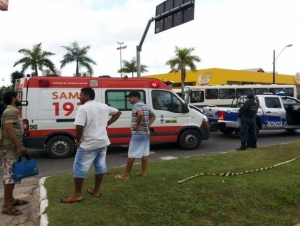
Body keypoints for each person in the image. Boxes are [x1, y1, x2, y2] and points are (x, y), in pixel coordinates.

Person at [61, 87, 122, 203]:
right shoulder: (103, 106)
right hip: (103, 142)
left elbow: (79, 127)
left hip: (88, 144)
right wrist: (106, 125)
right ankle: (96, 190)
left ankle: (77, 195)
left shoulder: (83, 109)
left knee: (79, 168)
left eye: (81, 95)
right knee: (100, 167)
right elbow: (118, 113)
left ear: (87, 96)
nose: (79, 97)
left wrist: (78, 141)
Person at [115, 91, 156, 179]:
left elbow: (140, 114)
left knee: (131, 154)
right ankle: (143, 172)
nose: (129, 99)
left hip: (138, 133)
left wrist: (137, 125)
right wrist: (148, 125)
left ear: (136, 97)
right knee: (144, 153)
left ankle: (126, 174)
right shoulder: (145, 105)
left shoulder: (136, 105)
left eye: (130, 97)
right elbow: (153, 116)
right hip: (145, 133)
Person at [1, 91, 27, 216]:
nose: (19, 99)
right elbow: (9, 129)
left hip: (10, 147)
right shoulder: (11, 111)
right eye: (18, 96)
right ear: (13, 98)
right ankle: (6, 206)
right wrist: (19, 145)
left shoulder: (10, 110)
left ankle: (11, 199)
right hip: (10, 147)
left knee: (9, 175)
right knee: (10, 176)